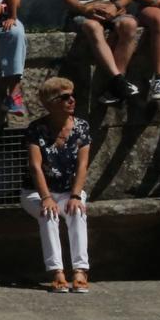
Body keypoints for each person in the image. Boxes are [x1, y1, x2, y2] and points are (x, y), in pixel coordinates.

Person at [22, 76, 92, 292]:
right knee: (49, 214)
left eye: (72, 95)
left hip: (68, 190)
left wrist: (75, 195)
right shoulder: (36, 129)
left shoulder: (81, 127)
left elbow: (82, 166)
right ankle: (57, 272)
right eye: (64, 97)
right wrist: (46, 198)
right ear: (51, 103)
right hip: (37, 191)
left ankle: (80, 270)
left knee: (77, 211)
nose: (71, 100)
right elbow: (35, 166)